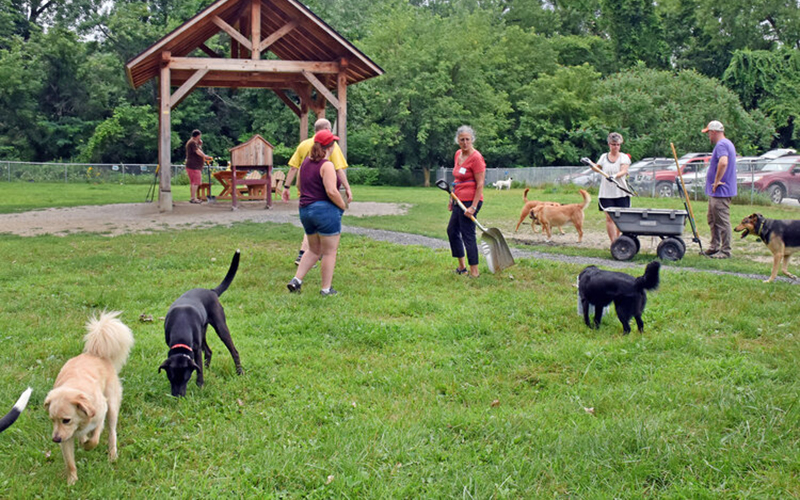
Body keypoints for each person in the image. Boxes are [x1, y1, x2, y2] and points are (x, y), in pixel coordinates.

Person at [286, 130, 348, 296]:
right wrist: (342, 206)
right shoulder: (326, 165)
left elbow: (298, 185)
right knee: (329, 252)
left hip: (305, 210)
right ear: (330, 147)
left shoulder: (305, 162)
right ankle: (326, 289)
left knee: (313, 249)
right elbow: (331, 191)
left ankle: (296, 281)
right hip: (324, 211)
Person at [282, 119, 352, 265]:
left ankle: (304, 254)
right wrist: (347, 189)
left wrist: (287, 187)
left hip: (306, 195)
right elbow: (338, 170)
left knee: (312, 225)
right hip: (323, 196)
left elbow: (294, 168)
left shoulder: (303, 145)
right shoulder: (331, 146)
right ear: (326, 129)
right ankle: (314, 255)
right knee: (324, 230)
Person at [447, 125, 485, 278]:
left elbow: (480, 183)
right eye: (462, 140)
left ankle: (474, 272)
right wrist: (451, 197)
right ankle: (462, 267)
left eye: (467, 139)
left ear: (472, 140)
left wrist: (473, 207)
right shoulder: (458, 154)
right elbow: (457, 178)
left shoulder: (476, 158)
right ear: (458, 140)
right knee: (452, 231)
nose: (464, 142)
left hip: (471, 201)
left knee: (467, 234)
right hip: (458, 199)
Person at [702, 120, 737, 259]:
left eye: (709, 133)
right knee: (712, 219)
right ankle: (714, 246)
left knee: (722, 221)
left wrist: (716, 181)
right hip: (717, 192)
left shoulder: (722, 144)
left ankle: (725, 250)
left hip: (721, 191)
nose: (708, 136)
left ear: (714, 132)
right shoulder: (727, 143)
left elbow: (723, 162)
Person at [596, 132, 632, 242]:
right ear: (609, 145)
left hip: (621, 192)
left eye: (617, 145)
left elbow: (624, 171)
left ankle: (620, 240)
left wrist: (614, 176)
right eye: (613, 144)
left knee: (621, 218)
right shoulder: (603, 157)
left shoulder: (624, 157)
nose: (615, 147)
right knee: (609, 218)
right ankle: (613, 242)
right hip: (606, 193)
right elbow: (597, 168)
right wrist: (590, 164)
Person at [185, 130, 212, 204]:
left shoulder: (195, 143)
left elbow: (198, 149)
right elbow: (197, 151)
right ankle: (193, 198)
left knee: (194, 182)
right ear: (197, 135)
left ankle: (193, 197)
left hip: (195, 166)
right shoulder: (192, 142)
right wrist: (205, 156)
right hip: (193, 166)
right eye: (200, 135)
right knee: (195, 182)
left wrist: (200, 144)